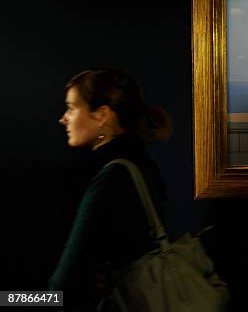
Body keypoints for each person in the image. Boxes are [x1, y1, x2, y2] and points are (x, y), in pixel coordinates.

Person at [49, 69, 172, 311]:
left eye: (72, 108)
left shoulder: (110, 178)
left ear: (103, 114)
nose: (63, 118)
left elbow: (63, 287)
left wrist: (10, 298)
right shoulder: (141, 165)